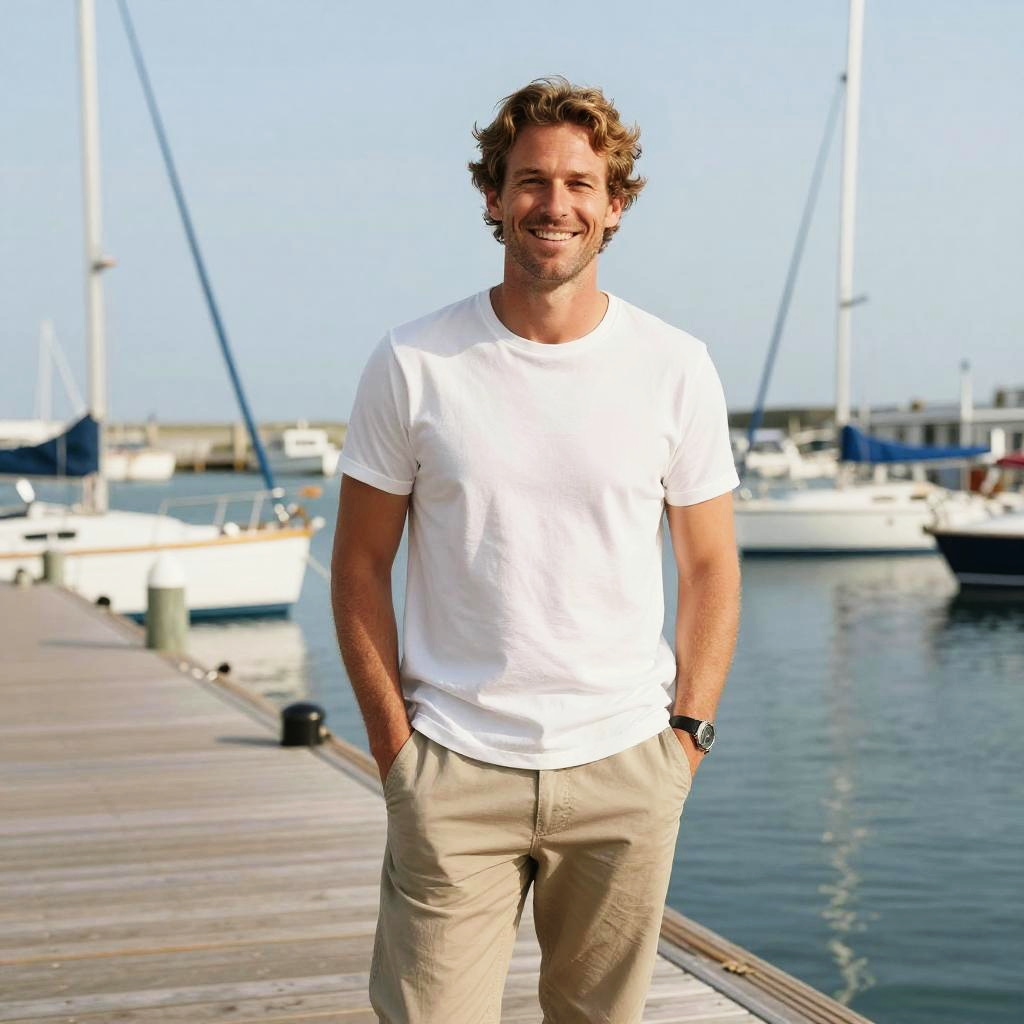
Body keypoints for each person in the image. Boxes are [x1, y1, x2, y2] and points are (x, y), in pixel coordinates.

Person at [331, 76, 741, 1024]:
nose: (553, 205)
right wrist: (397, 752)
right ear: (492, 198)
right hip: (454, 764)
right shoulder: (414, 363)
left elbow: (710, 566)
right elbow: (358, 566)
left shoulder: (675, 367)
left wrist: (687, 738)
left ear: (615, 206)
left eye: (580, 184)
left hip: (626, 771)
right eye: (529, 181)